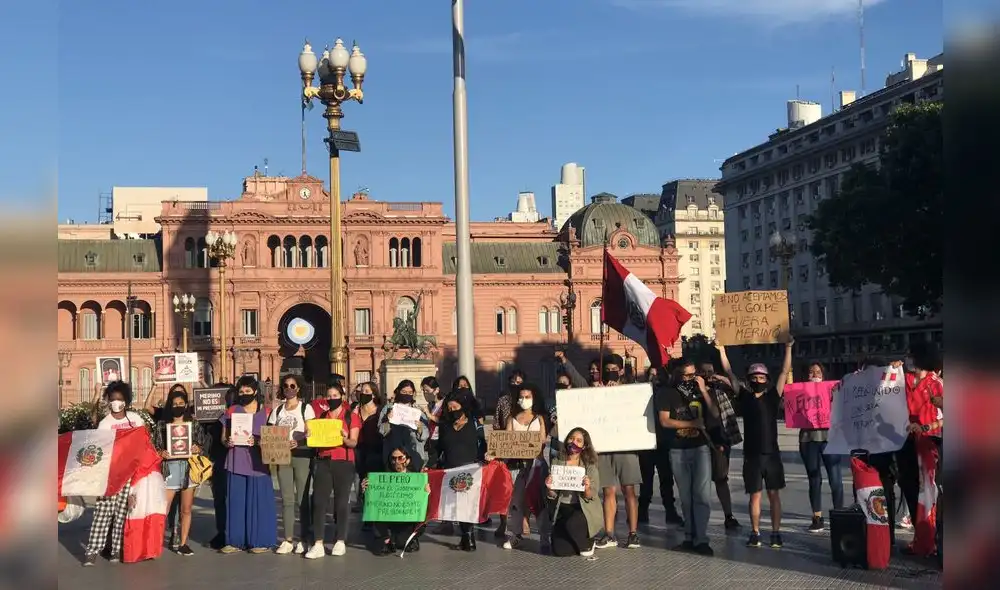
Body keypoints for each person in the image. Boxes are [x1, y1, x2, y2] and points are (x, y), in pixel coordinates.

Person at [718, 339, 792, 549]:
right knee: (755, 496)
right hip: (751, 456)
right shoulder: (744, 397)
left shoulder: (772, 397)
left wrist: (788, 347)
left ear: (767, 379)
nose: (758, 380)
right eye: (754, 377)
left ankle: (776, 533)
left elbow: (784, 372)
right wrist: (722, 349)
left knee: (774, 495)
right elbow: (729, 372)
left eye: (761, 377)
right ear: (749, 380)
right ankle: (755, 531)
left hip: (772, 455)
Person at [656, 359, 718, 556]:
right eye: (687, 375)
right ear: (677, 375)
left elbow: (715, 414)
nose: (691, 378)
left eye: (694, 374)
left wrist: (705, 391)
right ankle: (690, 537)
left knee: (702, 496)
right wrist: (692, 424)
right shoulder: (666, 393)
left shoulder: (700, 390)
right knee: (685, 497)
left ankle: (701, 539)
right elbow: (664, 421)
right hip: (677, 449)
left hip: (700, 448)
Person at [82, 381, 144, 566]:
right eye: (113, 399)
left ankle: (116, 549)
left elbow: (142, 445)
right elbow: (99, 449)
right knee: (103, 513)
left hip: (130, 473)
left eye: (120, 399)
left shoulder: (135, 420)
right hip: (109, 475)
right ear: (108, 401)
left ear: (126, 400)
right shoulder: (105, 423)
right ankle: (92, 550)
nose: (116, 402)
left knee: (123, 513)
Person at [219, 376, 277, 554]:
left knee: (259, 502)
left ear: (256, 392)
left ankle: (260, 540)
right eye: (241, 391)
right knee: (236, 502)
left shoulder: (267, 412)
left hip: (258, 462)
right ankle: (234, 541)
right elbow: (223, 437)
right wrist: (227, 442)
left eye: (247, 391)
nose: (244, 394)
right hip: (236, 460)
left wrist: (259, 442)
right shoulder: (232, 410)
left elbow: (275, 439)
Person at [591, 354, 642, 549]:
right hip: (605, 447)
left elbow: (636, 409)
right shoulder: (598, 390)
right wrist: (596, 395)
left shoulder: (630, 390)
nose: (610, 372)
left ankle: (633, 533)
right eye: (607, 369)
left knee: (629, 490)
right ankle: (609, 533)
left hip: (626, 445)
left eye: (614, 369)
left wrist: (619, 393)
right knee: (608, 490)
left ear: (621, 370)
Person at [151, 387, 210, 556]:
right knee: (164, 508)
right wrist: (161, 452)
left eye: (181, 403)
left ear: (186, 405)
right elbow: (155, 446)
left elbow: (201, 444)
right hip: (169, 469)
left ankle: (183, 543)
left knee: (186, 509)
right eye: (175, 403)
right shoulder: (162, 425)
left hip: (188, 469)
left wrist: (197, 448)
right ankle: (155, 541)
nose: (178, 406)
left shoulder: (194, 424)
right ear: (170, 405)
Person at [305, 382, 360, 559]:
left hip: (343, 461)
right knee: (319, 502)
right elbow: (313, 440)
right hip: (323, 461)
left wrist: (345, 437)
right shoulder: (322, 417)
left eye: (335, 395)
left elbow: (354, 443)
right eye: (328, 396)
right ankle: (318, 543)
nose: (331, 399)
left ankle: (340, 540)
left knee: (341, 502)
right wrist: (309, 435)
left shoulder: (351, 417)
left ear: (342, 397)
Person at [266, 374, 315, 555]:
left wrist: (299, 441)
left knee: (302, 499)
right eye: (286, 385)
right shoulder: (277, 411)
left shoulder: (306, 409)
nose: (289, 388)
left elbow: (311, 432)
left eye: (293, 385)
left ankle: (304, 538)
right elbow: (269, 432)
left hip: (302, 455)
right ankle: (287, 539)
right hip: (282, 456)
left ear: (298, 388)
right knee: (287, 499)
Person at [797, 362, 844, 533]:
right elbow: (789, 410)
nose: (815, 374)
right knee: (814, 479)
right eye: (811, 372)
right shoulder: (799, 391)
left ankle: (839, 515)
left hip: (830, 438)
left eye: (818, 371)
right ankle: (817, 517)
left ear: (824, 375)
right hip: (808, 439)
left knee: (836, 479)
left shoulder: (832, 390)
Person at [500, 383, 548, 551]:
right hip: (517, 465)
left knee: (538, 502)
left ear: (534, 398)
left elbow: (542, 441)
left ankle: (544, 536)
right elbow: (505, 443)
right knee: (516, 502)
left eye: (528, 397)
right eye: (521, 397)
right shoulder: (511, 419)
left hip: (536, 465)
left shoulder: (540, 418)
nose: (524, 400)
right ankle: (516, 535)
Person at [544, 428, 602, 557]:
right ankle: (575, 539)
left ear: (584, 445)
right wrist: (550, 488)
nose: (574, 442)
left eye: (578, 440)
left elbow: (591, 495)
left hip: (583, 509)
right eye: (571, 438)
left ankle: (588, 543)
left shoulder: (589, 465)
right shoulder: (557, 461)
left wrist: (586, 488)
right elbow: (552, 496)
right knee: (560, 551)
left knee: (572, 523)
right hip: (562, 508)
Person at [362, 446, 430, 555]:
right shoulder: (382, 478)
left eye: (400, 458)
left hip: (408, 521)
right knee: (376, 512)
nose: (396, 462)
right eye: (393, 459)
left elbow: (424, 506)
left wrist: (427, 493)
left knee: (402, 542)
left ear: (407, 460)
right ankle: (387, 540)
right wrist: (366, 491)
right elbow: (372, 503)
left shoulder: (418, 479)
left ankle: (411, 538)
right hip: (390, 521)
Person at [638, 364, 684, 527]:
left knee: (666, 480)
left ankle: (670, 511)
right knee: (646, 480)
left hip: (664, 443)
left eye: (657, 375)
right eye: (651, 374)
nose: (654, 377)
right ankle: (642, 511)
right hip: (646, 444)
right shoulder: (640, 394)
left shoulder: (668, 393)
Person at [699, 362, 742, 531]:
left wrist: (721, 377)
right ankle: (698, 515)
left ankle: (728, 515)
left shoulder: (720, 390)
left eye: (710, 372)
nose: (707, 375)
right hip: (699, 440)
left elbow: (739, 389)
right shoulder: (693, 392)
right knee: (699, 482)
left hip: (720, 441)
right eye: (704, 372)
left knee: (721, 479)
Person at [437, 391, 482, 551]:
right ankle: (465, 537)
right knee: (457, 505)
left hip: (471, 471)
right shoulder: (444, 426)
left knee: (467, 505)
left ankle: (469, 537)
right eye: (449, 409)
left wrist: (487, 456)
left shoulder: (474, 423)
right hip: (450, 470)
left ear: (463, 407)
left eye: (455, 407)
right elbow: (438, 448)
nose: (452, 411)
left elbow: (483, 444)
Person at [492, 369, 525, 539]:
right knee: (504, 490)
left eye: (520, 383)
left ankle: (523, 521)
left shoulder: (529, 402)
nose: (516, 385)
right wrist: (497, 449)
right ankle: (503, 522)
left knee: (523, 489)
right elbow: (497, 426)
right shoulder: (503, 401)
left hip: (526, 451)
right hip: (506, 451)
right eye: (513, 382)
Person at [378, 380, 429, 472]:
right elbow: (381, 431)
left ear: (413, 393)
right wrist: (388, 420)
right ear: (398, 392)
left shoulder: (418, 411)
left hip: (413, 453)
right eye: (404, 392)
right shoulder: (388, 408)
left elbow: (425, 435)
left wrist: (420, 427)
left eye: (410, 392)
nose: (407, 394)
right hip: (392, 454)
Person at [355, 381, 385, 524]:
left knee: (373, 481)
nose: (363, 394)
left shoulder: (380, 411)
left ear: (374, 394)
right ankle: (367, 514)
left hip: (375, 450)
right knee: (363, 481)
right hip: (360, 449)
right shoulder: (355, 409)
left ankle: (376, 515)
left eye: (367, 391)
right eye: (362, 391)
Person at [421, 377, 445, 467]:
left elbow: (444, 420)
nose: (425, 393)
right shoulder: (431, 405)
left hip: (441, 439)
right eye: (423, 391)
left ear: (436, 390)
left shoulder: (445, 403)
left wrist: (429, 415)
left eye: (427, 390)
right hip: (432, 439)